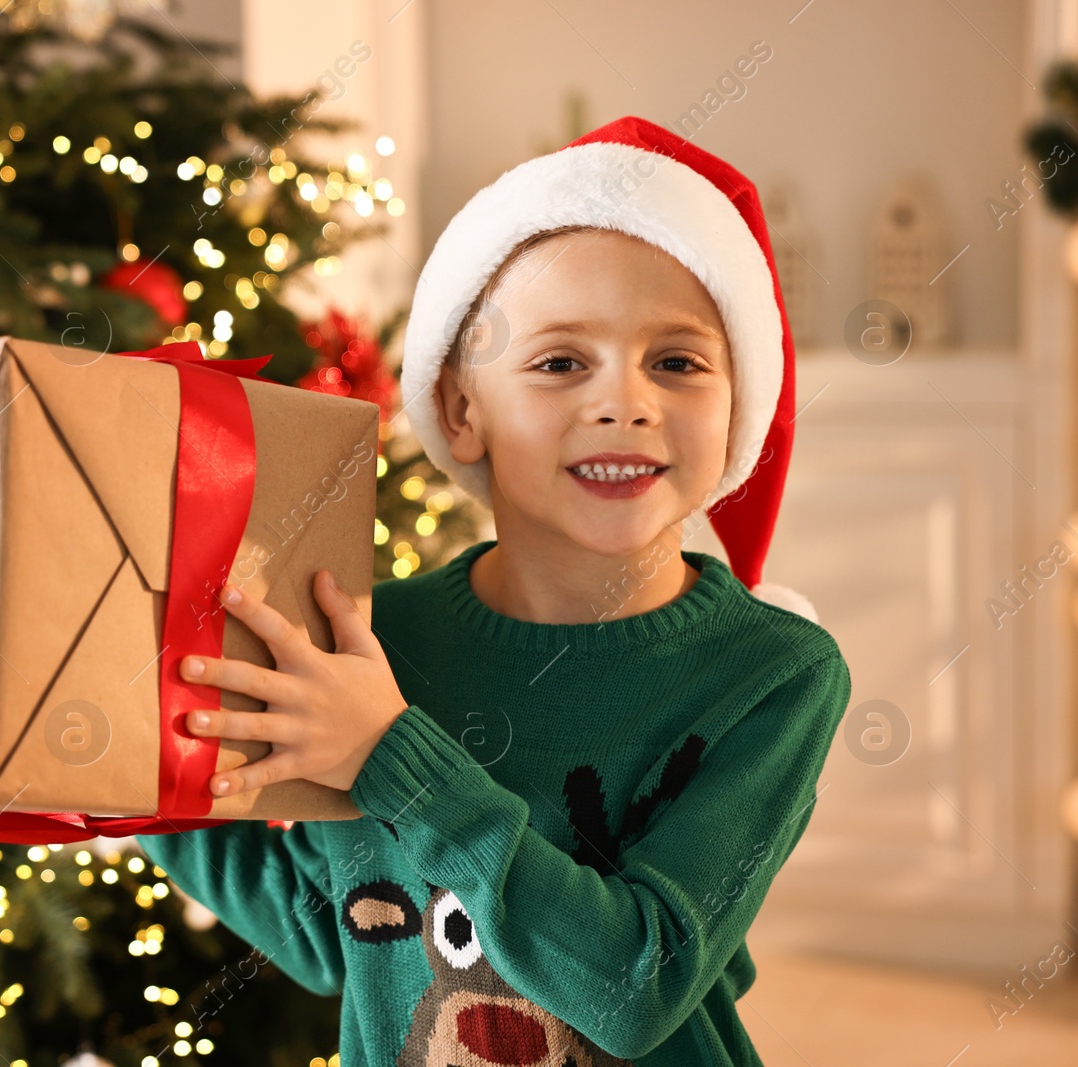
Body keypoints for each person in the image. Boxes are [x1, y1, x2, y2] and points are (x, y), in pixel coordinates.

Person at [134, 114, 852, 1067]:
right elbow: (324, 928)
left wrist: (390, 754)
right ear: (463, 408)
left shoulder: (775, 674)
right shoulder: (370, 640)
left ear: (738, 411)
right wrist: (139, 784)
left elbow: (637, 984)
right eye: (561, 362)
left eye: (677, 362)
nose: (626, 401)